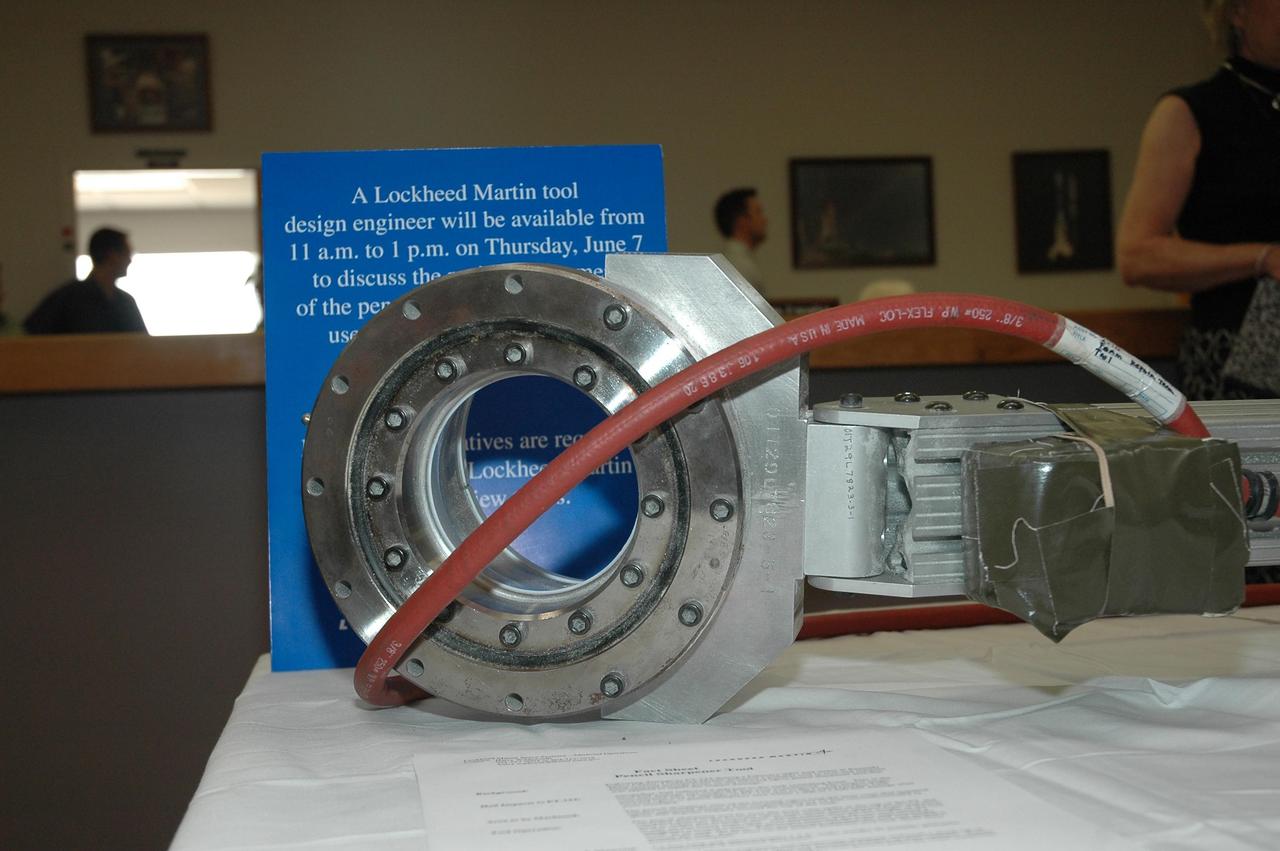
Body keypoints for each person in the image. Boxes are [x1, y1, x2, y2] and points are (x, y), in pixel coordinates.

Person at [1117, 0, 1280, 399]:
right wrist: (1263, 257)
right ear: (1238, 12)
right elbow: (1137, 255)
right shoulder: (1191, 111)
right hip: (1239, 360)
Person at [24, 227, 147, 334]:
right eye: (127, 254)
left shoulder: (125, 302)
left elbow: (142, 344)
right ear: (112, 255)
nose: (129, 261)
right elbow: (32, 333)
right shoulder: (69, 298)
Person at [713, 187, 768, 293]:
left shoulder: (736, 260)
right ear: (741, 221)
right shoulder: (739, 266)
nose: (765, 220)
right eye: (758, 212)